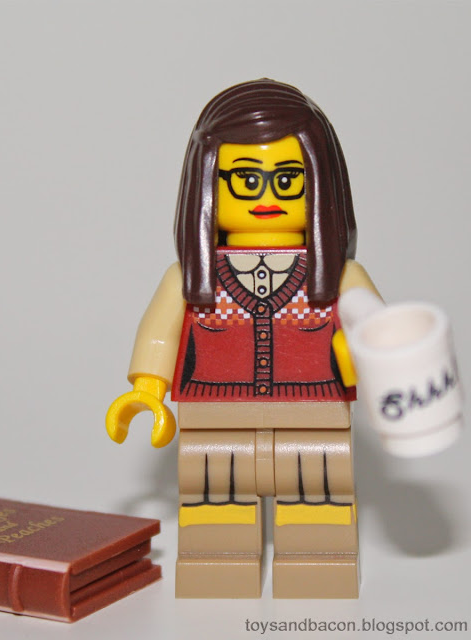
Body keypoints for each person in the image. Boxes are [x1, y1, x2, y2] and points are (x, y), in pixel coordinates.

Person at [106, 79, 379, 598]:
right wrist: (146, 388)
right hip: (215, 414)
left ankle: (319, 567)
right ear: (208, 183)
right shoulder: (191, 278)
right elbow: (160, 333)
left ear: (320, 184)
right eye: (247, 180)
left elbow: (378, 332)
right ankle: (217, 566)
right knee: (214, 497)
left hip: (315, 414)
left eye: (288, 180)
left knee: (318, 494)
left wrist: (374, 359)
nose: (268, 196)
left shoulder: (340, 277)